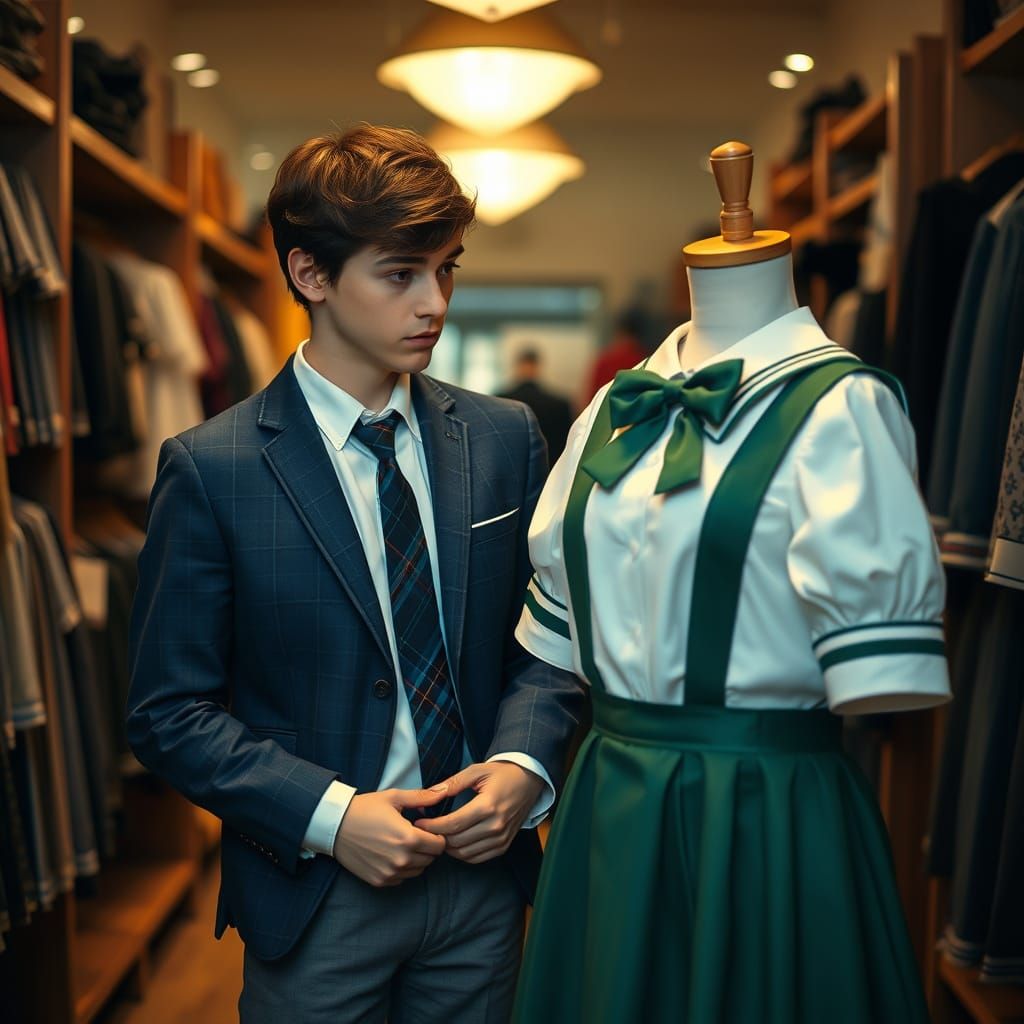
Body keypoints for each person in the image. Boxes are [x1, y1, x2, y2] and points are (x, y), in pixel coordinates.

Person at [125, 125, 584, 1024]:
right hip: (318, 890)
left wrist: (525, 764)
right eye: (401, 273)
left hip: (482, 882)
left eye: (447, 268)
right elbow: (168, 712)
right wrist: (332, 817)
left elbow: (551, 636)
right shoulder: (212, 467)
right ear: (311, 274)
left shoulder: (504, 438)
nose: (435, 303)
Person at [511, 247, 950, 1023]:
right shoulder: (611, 409)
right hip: (608, 799)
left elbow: (885, 673)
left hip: (764, 810)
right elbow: (559, 631)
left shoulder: (845, 407)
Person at [497, 347, 574, 462]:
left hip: (509, 464)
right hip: (547, 466)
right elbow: (565, 446)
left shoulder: (499, 401)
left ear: (519, 366)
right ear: (537, 367)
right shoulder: (559, 405)